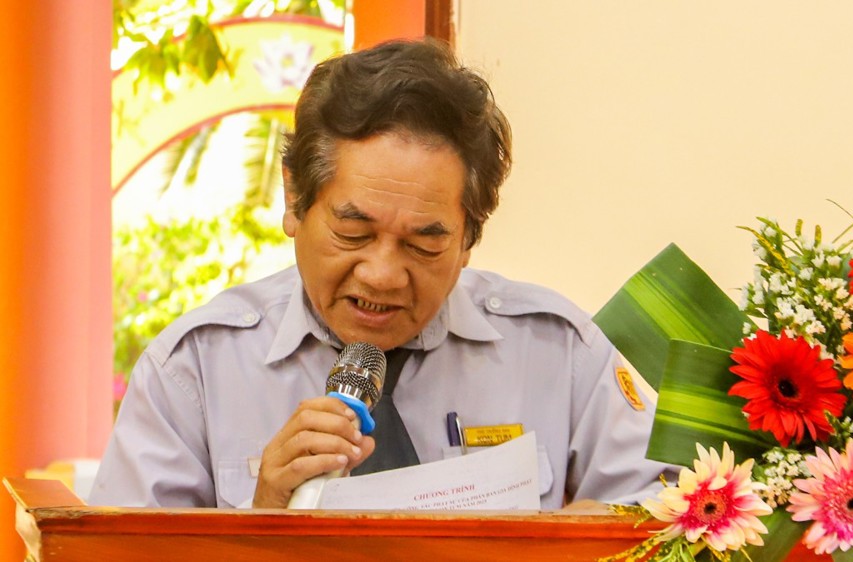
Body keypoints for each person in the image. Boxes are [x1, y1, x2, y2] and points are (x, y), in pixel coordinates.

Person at [90, 39, 671, 510]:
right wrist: (260, 524)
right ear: (294, 200)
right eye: (353, 233)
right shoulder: (193, 371)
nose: (383, 275)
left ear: (469, 237)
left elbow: (682, 519)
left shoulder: (557, 352)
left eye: (424, 243)